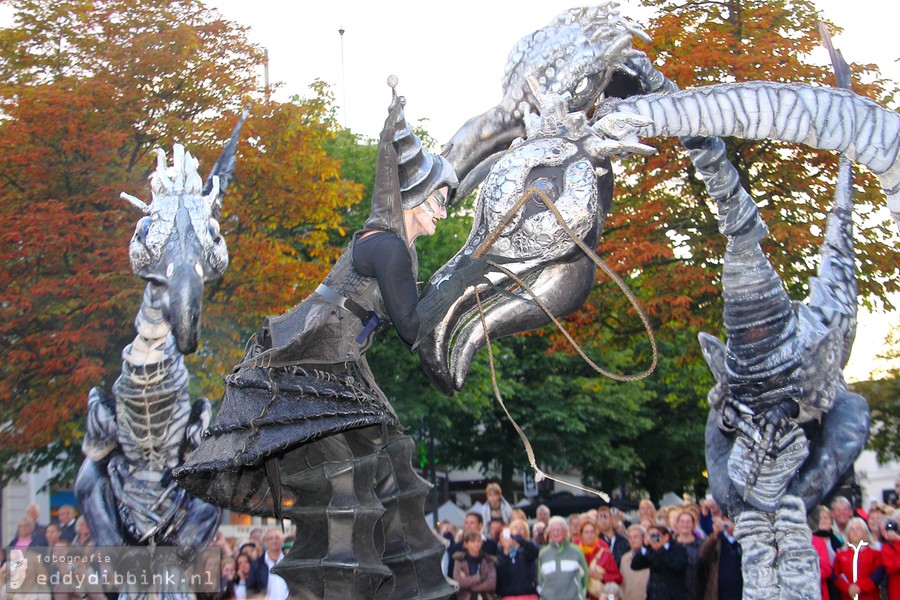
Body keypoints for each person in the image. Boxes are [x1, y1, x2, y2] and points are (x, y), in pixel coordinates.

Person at [174, 78, 459, 599]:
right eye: (438, 199)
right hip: (316, 361)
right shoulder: (390, 248)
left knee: (389, 462)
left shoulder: (398, 248)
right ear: (413, 197)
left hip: (340, 364)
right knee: (350, 479)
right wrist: (463, 285)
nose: (444, 209)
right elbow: (412, 328)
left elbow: (410, 319)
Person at [630, 524, 688, 600]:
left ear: (666, 537)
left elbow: (677, 566)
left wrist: (660, 550)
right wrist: (644, 546)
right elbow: (635, 565)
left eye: (655, 535)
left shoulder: (677, 549)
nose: (653, 538)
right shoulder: (650, 551)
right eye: (650, 536)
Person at [833, 517, 884, 600]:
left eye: (858, 528)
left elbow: (877, 575)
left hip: (869, 596)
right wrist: (847, 588)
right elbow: (835, 575)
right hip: (847, 596)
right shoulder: (840, 554)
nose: (855, 532)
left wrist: (860, 587)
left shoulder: (875, 553)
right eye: (851, 529)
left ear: (865, 532)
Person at [538, 516, 588, 600]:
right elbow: (541, 579)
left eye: (559, 530)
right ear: (549, 533)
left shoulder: (576, 551)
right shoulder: (543, 553)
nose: (556, 533)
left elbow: (585, 577)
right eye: (553, 530)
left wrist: (581, 595)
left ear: (565, 532)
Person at [698, 516, 741, 600]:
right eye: (729, 520)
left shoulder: (743, 541)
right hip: (720, 593)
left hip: (740, 592)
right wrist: (714, 535)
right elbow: (703, 554)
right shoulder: (718, 540)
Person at [579, 520, 622, 600]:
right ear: (581, 535)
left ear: (596, 534)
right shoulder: (576, 554)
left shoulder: (604, 553)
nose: (590, 535)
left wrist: (601, 577)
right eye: (586, 532)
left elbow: (618, 578)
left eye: (592, 532)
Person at [496, 519, 539, 599]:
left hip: (528, 594)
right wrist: (506, 550)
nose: (518, 530)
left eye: (521, 528)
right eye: (515, 528)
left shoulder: (527, 549)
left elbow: (535, 553)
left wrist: (521, 541)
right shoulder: (501, 552)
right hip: (509, 595)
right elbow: (502, 572)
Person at [453, 530, 498, 600]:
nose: (476, 544)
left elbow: (491, 584)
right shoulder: (459, 560)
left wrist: (470, 586)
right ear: (466, 544)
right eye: (472, 541)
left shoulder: (488, 560)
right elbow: (460, 583)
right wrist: (480, 578)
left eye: (478, 541)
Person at [247, 529, 288, 600]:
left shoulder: (290, 562)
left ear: (282, 541)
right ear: (265, 542)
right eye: (271, 538)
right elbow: (251, 589)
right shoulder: (257, 564)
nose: (274, 541)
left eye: (277, 538)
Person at [673, 511, 702, 600]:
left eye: (688, 522)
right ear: (677, 524)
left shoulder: (701, 545)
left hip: (695, 591)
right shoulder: (671, 544)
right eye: (682, 522)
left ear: (693, 525)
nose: (685, 524)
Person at [620, 524, 649, 600]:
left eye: (635, 537)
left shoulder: (651, 556)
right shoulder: (624, 558)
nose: (632, 540)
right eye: (630, 537)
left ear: (643, 538)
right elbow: (622, 583)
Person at [881, 517, 899, 600]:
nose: (891, 534)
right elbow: (891, 568)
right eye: (889, 531)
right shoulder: (886, 547)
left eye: (893, 531)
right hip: (895, 586)